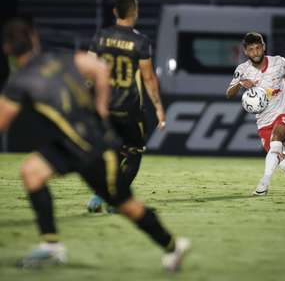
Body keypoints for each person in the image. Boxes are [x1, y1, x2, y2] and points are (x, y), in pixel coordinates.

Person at [0, 18, 190, 271]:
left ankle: (173, 246)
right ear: (34, 39)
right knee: (32, 172)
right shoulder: (60, 58)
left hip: (93, 150)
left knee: (126, 206)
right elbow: (99, 67)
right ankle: (51, 247)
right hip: (69, 145)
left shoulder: (19, 81)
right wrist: (101, 105)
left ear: (7, 50)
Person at [87, 0, 166, 212]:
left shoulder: (100, 37)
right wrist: (159, 108)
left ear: (115, 12)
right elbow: (149, 78)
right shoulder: (139, 41)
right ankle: (117, 201)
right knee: (133, 154)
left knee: (112, 152)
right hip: (129, 108)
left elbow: (86, 70)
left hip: (103, 107)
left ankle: (98, 196)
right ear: (135, 12)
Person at [226, 32, 285, 196]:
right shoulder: (243, 70)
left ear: (264, 47)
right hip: (263, 120)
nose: (255, 52)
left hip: (284, 112)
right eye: (251, 50)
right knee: (282, 161)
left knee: (277, 139)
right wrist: (241, 84)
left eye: (258, 48)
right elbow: (229, 93)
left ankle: (264, 184)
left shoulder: (279, 62)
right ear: (246, 52)